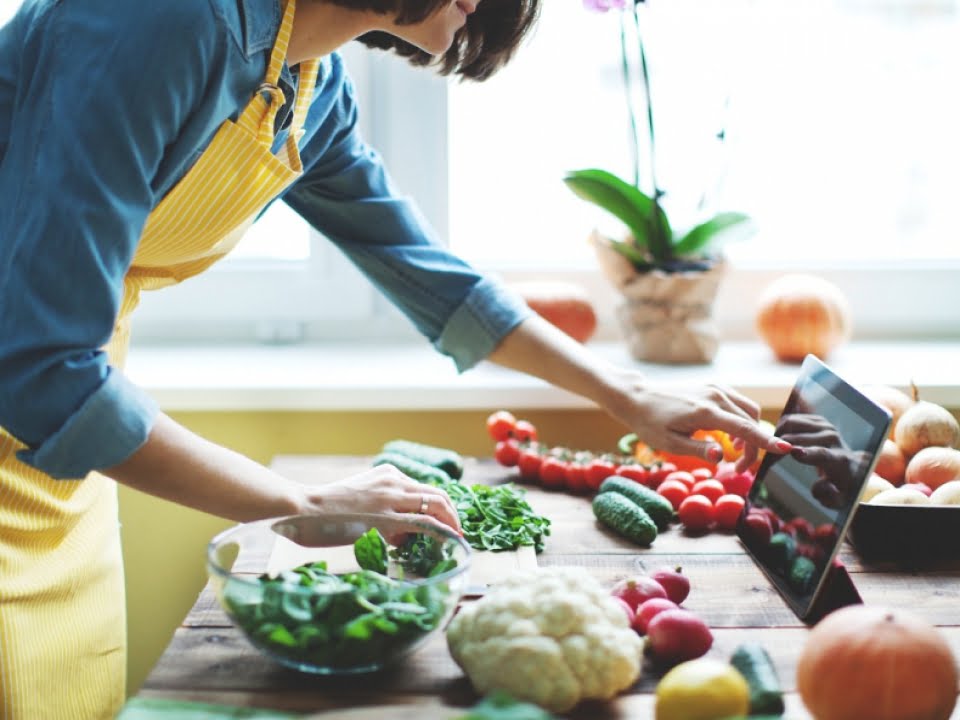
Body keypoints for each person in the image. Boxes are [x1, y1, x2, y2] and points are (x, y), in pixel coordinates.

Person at [0, 1, 791, 717]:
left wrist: (627, 393)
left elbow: (432, 278)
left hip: (62, 457)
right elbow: (40, 365)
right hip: (45, 393)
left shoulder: (305, 81)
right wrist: (301, 507)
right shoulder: (159, 22)